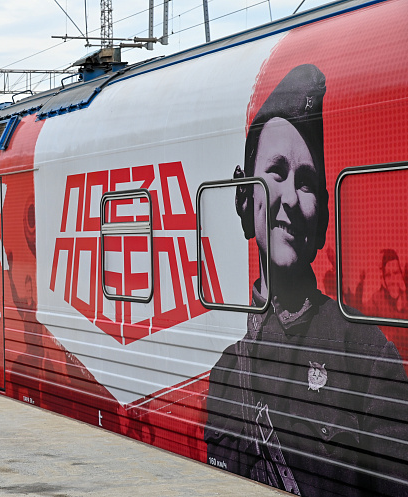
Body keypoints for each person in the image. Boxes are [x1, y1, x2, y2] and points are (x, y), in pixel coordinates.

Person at [204, 64, 408, 496]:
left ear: (322, 220)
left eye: (307, 182)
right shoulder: (226, 373)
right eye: (277, 172)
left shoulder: (364, 354)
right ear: (245, 198)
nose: (291, 199)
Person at [368, 249, 408, 320]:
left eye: (396, 273)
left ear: (401, 274)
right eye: (388, 275)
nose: (392, 280)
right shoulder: (375, 301)